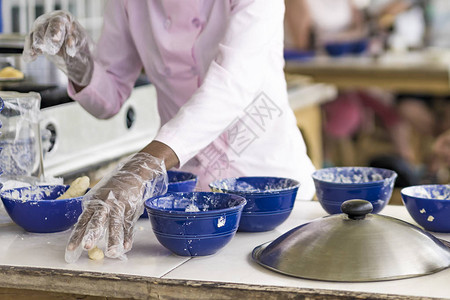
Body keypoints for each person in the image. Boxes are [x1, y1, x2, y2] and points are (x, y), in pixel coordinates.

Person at [23, 1, 316, 262]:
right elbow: (110, 96)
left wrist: (144, 167)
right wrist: (78, 61)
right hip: (185, 204)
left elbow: (232, 85)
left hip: (271, 190)